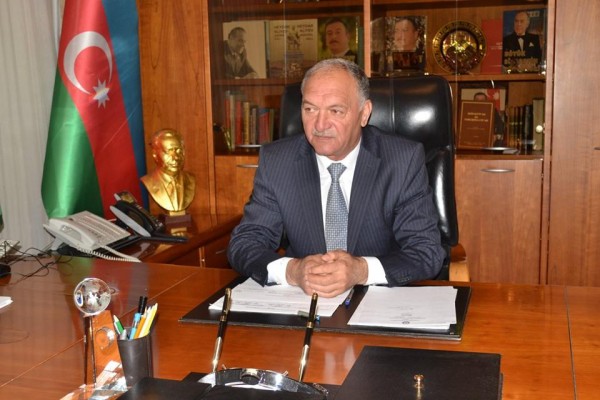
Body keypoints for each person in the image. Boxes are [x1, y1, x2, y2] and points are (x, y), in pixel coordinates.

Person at [227, 58, 445, 298]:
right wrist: (293, 271)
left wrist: (361, 270)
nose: (320, 125)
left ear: (364, 113)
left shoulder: (401, 160)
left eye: (336, 111)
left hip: (376, 301)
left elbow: (426, 252)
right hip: (303, 302)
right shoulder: (278, 161)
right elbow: (245, 243)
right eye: (310, 109)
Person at [141, 129, 195, 214]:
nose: (175, 157)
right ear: (155, 154)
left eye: (179, 151)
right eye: (168, 152)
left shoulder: (191, 180)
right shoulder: (149, 181)